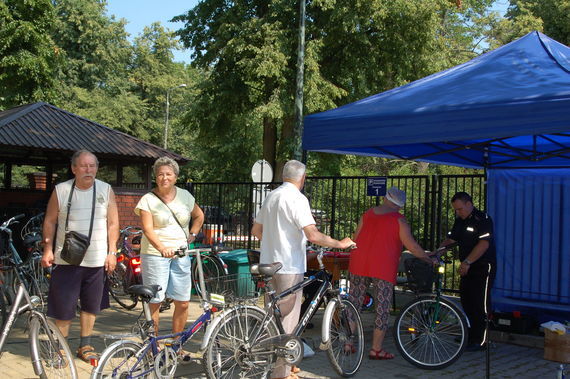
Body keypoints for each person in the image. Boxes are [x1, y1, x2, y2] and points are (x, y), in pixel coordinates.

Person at [252, 160, 354, 379]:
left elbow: (256, 230)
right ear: (303, 178)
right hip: (288, 265)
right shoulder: (297, 199)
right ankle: (283, 373)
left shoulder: (271, 196)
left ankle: (278, 365)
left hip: (269, 262)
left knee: (274, 318)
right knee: (288, 320)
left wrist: (274, 242)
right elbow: (313, 235)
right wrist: (340, 243)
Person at [41, 150, 119, 362]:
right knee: (64, 307)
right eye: (83, 166)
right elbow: (49, 221)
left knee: (90, 306)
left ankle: (85, 345)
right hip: (67, 259)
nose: (88, 170)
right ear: (74, 168)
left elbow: (113, 223)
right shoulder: (62, 190)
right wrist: (47, 249)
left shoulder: (106, 189)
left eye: (92, 166)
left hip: (97, 259)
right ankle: (60, 348)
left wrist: (112, 252)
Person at [348, 186, 434, 360]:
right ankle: (376, 349)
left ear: (385, 198)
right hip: (382, 266)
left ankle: (347, 343)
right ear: (400, 205)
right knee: (382, 307)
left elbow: (355, 237)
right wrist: (428, 258)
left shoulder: (368, 213)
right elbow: (412, 247)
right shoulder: (399, 220)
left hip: (358, 263)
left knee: (354, 302)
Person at [134, 156, 204, 352]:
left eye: (169, 174)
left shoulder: (185, 196)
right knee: (155, 301)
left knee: (182, 301)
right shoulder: (147, 200)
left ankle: (176, 343)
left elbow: (199, 215)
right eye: (160, 174)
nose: (165, 178)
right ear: (156, 177)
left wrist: (192, 235)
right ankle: (153, 344)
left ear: (175, 176)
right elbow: (147, 229)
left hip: (181, 254)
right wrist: (161, 247)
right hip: (155, 255)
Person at [439, 191, 496, 352]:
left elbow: (483, 244)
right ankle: (471, 335)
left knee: (480, 303)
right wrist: (436, 253)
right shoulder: (460, 220)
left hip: (482, 267)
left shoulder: (483, 219)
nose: (458, 212)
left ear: (469, 204)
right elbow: (451, 241)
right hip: (467, 268)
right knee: (467, 301)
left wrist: (468, 261)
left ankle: (482, 340)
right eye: (456, 210)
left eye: (460, 209)